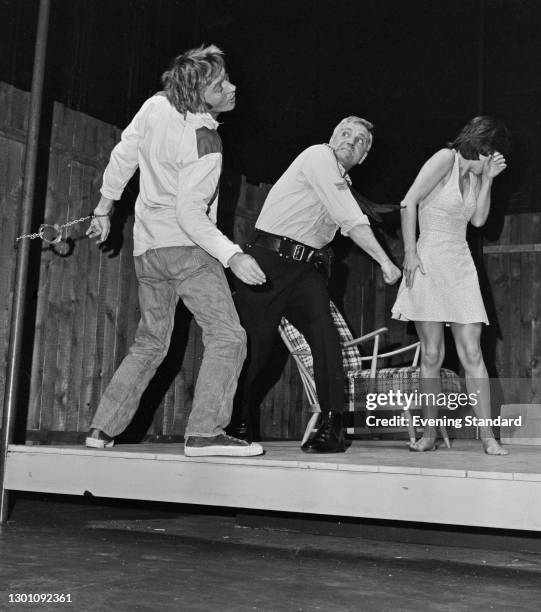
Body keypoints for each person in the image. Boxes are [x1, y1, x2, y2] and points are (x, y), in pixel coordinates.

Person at [84, 44, 265, 457]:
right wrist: (232, 255)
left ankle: (101, 429)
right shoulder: (206, 139)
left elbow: (124, 154)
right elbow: (190, 213)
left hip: (147, 250)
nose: (232, 88)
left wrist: (104, 208)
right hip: (187, 251)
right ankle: (204, 433)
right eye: (221, 85)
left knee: (150, 342)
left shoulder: (155, 106)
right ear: (201, 94)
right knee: (228, 337)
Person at [232, 117, 402, 453]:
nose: (351, 141)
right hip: (267, 261)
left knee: (326, 339)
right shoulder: (317, 157)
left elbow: (348, 217)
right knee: (257, 349)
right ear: (332, 137)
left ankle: (333, 426)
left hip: (305, 269)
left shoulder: (343, 183)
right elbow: (350, 220)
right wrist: (385, 261)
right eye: (346, 133)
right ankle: (238, 421)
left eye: (360, 141)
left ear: (364, 156)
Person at [391, 116, 512, 455]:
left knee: (472, 351)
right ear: (481, 146)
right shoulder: (445, 158)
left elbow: (477, 220)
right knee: (431, 353)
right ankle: (429, 435)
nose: (494, 159)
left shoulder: (476, 175)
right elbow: (408, 201)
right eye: (492, 153)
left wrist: (487, 181)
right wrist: (410, 253)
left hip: (459, 263)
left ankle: (488, 436)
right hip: (428, 258)